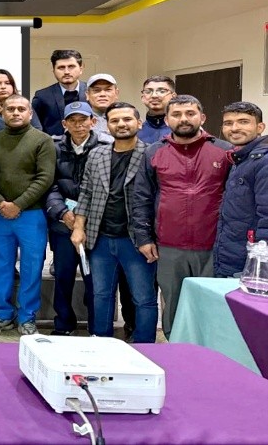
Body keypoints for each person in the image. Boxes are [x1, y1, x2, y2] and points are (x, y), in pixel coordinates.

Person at [133, 95, 232, 338]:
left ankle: (210, 352)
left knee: (211, 304)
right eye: (176, 115)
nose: (184, 119)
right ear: (167, 120)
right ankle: (176, 346)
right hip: (169, 245)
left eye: (190, 113)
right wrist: (143, 238)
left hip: (212, 244)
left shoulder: (224, 151)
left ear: (202, 117)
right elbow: (142, 197)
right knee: (174, 304)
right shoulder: (154, 152)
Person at [71, 102, 158, 343]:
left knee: (143, 298)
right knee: (101, 295)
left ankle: (145, 345)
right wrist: (78, 227)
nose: (121, 124)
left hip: (137, 240)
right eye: (115, 120)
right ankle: (101, 342)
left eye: (127, 119)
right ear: (106, 125)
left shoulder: (151, 154)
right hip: (100, 238)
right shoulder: (97, 154)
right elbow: (86, 192)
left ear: (139, 123)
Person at [0, 95, 56, 336]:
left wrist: (18, 204)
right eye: (11, 109)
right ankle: (1, 314)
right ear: (2, 113)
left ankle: (27, 317)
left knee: (31, 268)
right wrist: (0, 203)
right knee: (0, 266)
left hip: (31, 214)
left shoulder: (42, 140)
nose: (16, 113)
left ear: (30, 113)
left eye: (21, 109)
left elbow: (45, 177)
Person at [44, 101, 108, 335]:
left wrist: (86, 216)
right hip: (63, 224)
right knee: (63, 277)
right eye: (73, 121)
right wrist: (62, 213)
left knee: (95, 279)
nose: (78, 125)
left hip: (96, 225)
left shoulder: (105, 147)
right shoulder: (53, 148)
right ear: (65, 124)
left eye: (83, 120)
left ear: (93, 121)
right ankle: (63, 324)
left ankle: (96, 326)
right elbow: (48, 185)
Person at [216, 102, 268, 277]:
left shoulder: (263, 161)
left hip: (252, 263)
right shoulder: (240, 159)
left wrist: (260, 265)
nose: (234, 128)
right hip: (232, 254)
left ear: (260, 127)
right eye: (228, 123)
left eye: (243, 122)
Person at [31, 49, 87, 136]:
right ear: (53, 70)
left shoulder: (93, 92)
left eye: (71, 66)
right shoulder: (42, 96)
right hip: (54, 144)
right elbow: (34, 128)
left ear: (81, 69)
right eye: (61, 67)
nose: (66, 72)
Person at [137, 75, 176, 143]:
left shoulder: (182, 130)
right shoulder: (135, 132)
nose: (154, 95)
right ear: (142, 98)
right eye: (148, 92)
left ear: (173, 96)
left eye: (162, 91)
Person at [84, 73, 118, 142]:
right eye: (96, 90)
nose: (102, 94)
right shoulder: (80, 120)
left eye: (108, 90)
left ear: (116, 93)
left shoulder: (127, 118)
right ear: (87, 95)